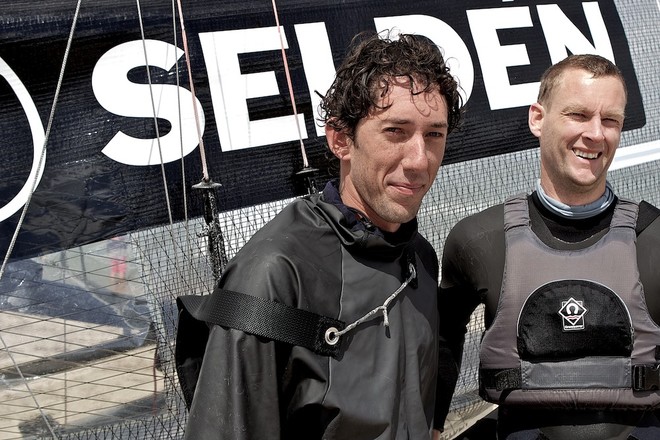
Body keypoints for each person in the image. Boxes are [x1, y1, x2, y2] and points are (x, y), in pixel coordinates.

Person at [177, 31, 462, 440]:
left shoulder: (418, 256)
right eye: (395, 131)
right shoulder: (274, 273)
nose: (419, 160)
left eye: (434, 134)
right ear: (341, 139)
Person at [438, 54, 660, 440]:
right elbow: (440, 350)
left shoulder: (654, 235)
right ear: (537, 118)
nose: (595, 133)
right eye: (577, 115)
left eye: (610, 120)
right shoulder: (478, 240)